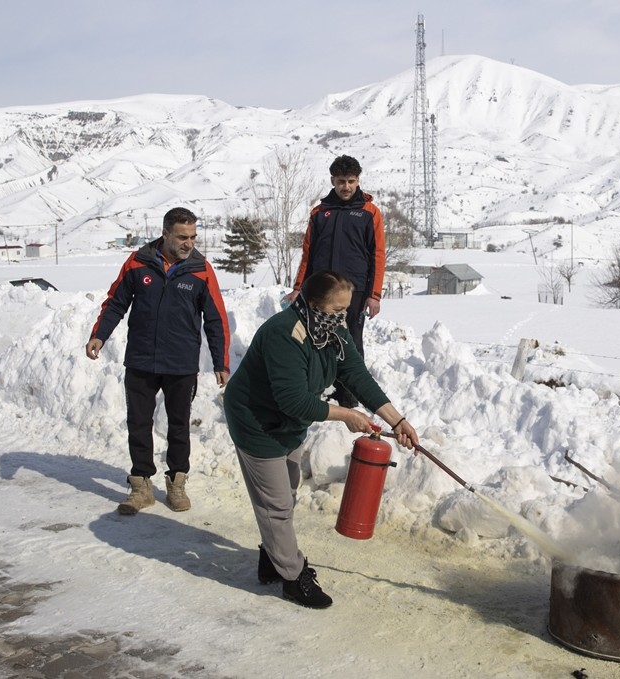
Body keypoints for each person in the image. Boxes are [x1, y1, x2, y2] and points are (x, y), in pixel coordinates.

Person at [224, 271, 418, 609]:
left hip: (289, 425)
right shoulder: (284, 334)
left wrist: (397, 419)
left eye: (346, 310)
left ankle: (272, 558)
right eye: (336, 309)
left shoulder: (331, 331)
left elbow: (357, 376)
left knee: (287, 492)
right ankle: (293, 576)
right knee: (276, 504)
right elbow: (293, 399)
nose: (342, 317)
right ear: (313, 304)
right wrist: (347, 415)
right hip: (256, 422)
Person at [87, 207, 230, 514]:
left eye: (193, 237)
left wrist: (221, 362)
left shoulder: (200, 270)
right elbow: (115, 303)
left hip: (181, 363)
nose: (189, 243)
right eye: (182, 237)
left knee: (178, 425)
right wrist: (100, 334)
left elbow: (216, 319)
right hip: (140, 359)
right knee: (138, 423)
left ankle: (176, 484)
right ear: (165, 234)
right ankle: (141, 485)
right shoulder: (138, 263)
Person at [286, 155, 385, 409]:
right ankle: (317, 389)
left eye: (351, 181)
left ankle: (348, 396)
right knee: (315, 339)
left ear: (358, 180)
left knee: (350, 341)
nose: (347, 186)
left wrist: (374, 295)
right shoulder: (320, 213)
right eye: (341, 181)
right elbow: (308, 253)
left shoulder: (369, 213)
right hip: (320, 290)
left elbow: (378, 255)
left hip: (354, 292)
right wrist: (299, 288)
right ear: (333, 180)